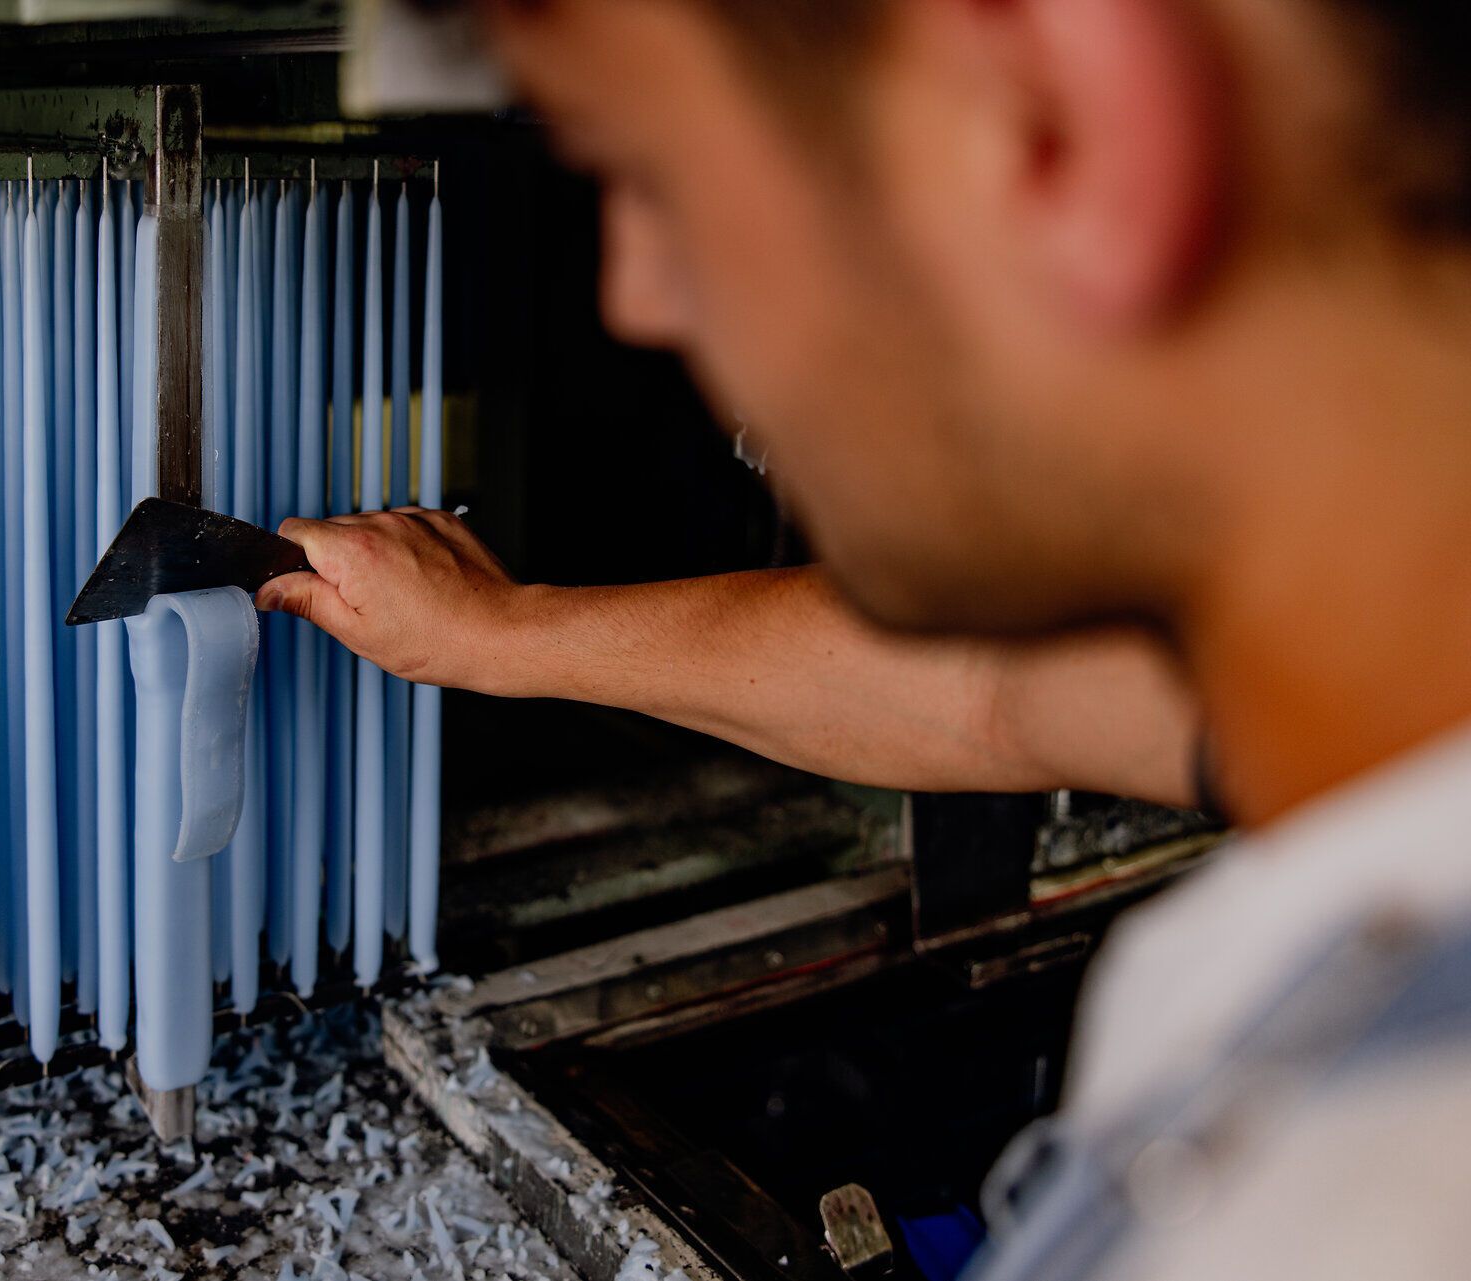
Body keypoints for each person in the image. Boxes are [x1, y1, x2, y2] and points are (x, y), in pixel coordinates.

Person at [262, 1, 1471, 1276]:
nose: (637, 297)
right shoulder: (1375, 686)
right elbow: (994, 698)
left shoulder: (1350, 1193)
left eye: (648, 167)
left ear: (1054, 123)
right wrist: (502, 636)